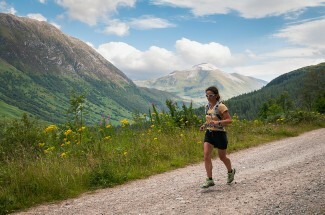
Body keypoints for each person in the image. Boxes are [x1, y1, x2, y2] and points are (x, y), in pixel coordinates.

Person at [199, 86, 235, 188]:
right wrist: (204, 125)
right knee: (206, 156)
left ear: (216, 95)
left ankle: (230, 171)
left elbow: (229, 120)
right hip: (209, 133)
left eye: (211, 95)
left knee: (222, 157)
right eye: (207, 95)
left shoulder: (221, 106)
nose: (208, 97)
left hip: (220, 134)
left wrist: (218, 122)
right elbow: (209, 120)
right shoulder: (207, 107)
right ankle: (209, 179)